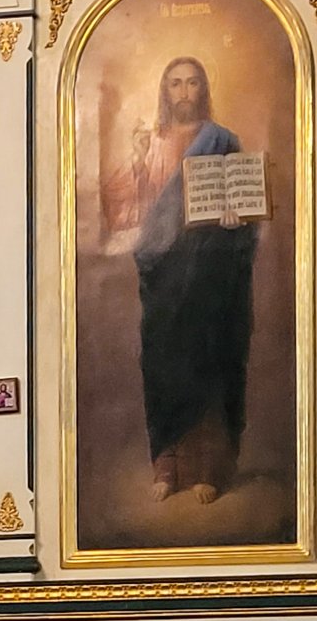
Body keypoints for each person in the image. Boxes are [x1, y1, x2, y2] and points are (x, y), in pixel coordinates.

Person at [108, 56, 258, 505]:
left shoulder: (222, 141)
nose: (184, 92)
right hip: (162, 270)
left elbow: (246, 199)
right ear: (164, 90)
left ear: (203, 89)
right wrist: (136, 164)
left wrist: (237, 217)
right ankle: (167, 464)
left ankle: (209, 468)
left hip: (210, 268)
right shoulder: (150, 143)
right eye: (175, 83)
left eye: (192, 83)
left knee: (208, 362)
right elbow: (130, 209)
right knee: (162, 363)